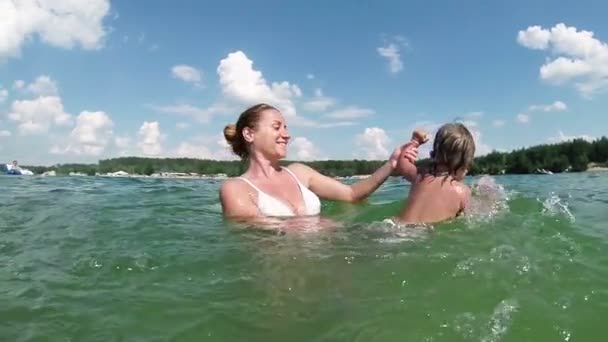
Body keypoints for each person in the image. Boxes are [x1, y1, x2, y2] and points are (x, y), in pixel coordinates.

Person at [219, 103, 419, 219]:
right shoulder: (235, 189)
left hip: (330, 253)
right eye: (277, 127)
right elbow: (262, 234)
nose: (286, 135)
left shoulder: (299, 172)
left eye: (286, 128)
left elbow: (351, 194)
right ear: (249, 134)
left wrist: (391, 164)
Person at [392, 122, 475, 224]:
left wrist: (415, 141)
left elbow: (402, 164)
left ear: (434, 153)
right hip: (418, 235)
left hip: (393, 227)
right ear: (464, 164)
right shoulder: (463, 192)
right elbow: (473, 216)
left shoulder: (419, 175)